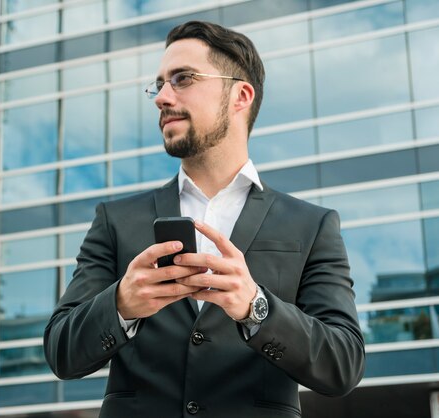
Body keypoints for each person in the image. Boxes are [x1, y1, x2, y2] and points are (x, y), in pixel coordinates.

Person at [43, 20, 365, 418]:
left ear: (240, 95)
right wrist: (122, 303)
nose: (162, 97)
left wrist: (255, 306)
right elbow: (61, 351)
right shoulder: (115, 220)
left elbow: (343, 364)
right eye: (158, 84)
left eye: (182, 79)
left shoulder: (312, 225)